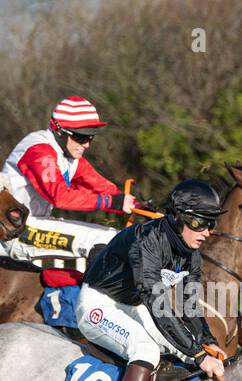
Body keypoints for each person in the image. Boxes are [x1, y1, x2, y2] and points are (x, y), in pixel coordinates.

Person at [76, 179, 225, 381]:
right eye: (200, 223)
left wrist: (206, 342)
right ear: (178, 216)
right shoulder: (147, 240)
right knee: (145, 349)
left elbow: (189, 307)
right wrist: (197, 355)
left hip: (131, 305)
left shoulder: (191, 255)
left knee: (177, 348)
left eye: (211, 225)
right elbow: (157, 303)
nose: (206, 232)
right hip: (98, 302)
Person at [0, 97, 140, 267]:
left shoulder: (68, 155)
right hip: (16, 232)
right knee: (104, 239)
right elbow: (60, 196)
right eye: (81, 137)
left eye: (90, 137)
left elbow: (99, 185)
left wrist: (138, 207)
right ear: (59, 131)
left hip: (36, 224)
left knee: (115, 235)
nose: (87, 144)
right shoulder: (40, 150)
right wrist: (114, 202)